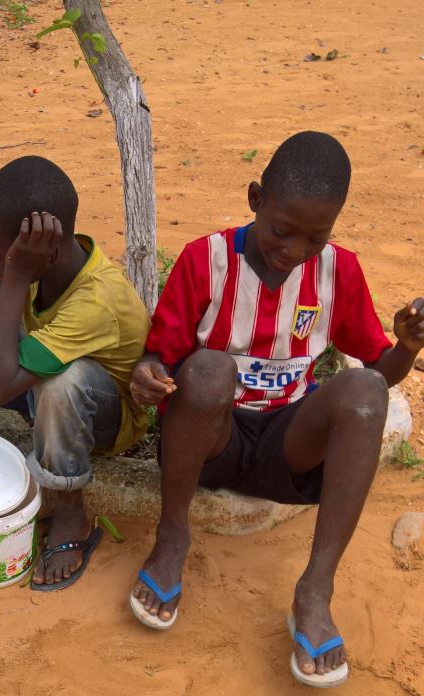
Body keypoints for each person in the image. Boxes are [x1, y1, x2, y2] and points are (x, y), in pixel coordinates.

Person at [128, 131, 423, 687]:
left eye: (316, 238)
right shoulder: (205, 260)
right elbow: (159, 357)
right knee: (211, 369)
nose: (294, 251)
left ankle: (315, 587)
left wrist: (405, 348)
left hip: (289, 444)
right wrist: (149, 375)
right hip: (212, 440)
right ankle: (172, 536)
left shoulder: (338, 271)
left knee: (362, 392)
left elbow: (379, 377)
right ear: (255, 198)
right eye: (282, 231)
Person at [0, 155, 150, 589]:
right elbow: (2, 351)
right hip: (36, 376)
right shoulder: (44, 265)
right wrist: (18, 271)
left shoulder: (97, 300)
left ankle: (70, 508)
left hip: (100, 419)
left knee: (64, 380)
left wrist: (15, 273)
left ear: (43, 251)